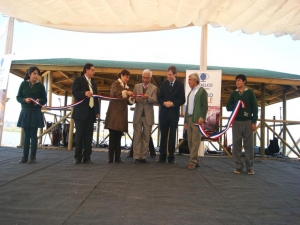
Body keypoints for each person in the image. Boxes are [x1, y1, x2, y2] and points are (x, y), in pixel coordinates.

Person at [226, 74, 258, 175]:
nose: (237, 82)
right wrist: (237, 105)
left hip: (247, 121)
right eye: (236, 81)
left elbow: (255, 108)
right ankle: (238, 166)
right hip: (236, 122)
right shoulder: (233, 94)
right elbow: (228, 107)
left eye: (239, 80)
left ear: (244, 81)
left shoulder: (250, 93)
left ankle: (250, 167)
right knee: (236, 144)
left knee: (249, 144)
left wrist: (254, 121)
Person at [16, 66, 47, 164]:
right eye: (34, 73)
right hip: (25, 111)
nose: (36, 75)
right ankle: (24, 157)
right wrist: (24, 100)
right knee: (26, 135)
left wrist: (39, 101)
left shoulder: (41, 86)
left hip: (35, 112)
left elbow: (44, 100)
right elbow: (18, 97)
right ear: (29, 74)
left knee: (33, 135)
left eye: (37, 74)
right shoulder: (23, 84)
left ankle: (32, 157)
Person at [72, 63, 100, 165]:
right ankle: (77, 157)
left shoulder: (94, 84)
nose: (94, 72)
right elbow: (74, 92)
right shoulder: (78, 80)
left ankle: (87, 157)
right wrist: (84, 93)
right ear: (86, 70)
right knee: (79, 135)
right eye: (92, 70)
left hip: (91, 113)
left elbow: (96, 98)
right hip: (80, 113)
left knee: (89, 136)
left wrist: (97, 111)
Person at [105, 69, 134, 163]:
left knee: (118, 137)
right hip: (114, 115)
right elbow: (114, 94)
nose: (127, 79)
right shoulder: (115, 84)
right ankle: (110, 158)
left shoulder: (126, 87)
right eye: (126, 77)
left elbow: (127, 101)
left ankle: (117, 157)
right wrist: (126, 92)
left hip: (121, 115)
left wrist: (132, 99)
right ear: (121, 75)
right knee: (113, 137)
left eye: (128, 77)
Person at [157, 66, 185, 164]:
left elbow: (182, 99)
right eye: (167, 74)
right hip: (164, 113)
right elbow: (159, 97)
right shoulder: (163, 84)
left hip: (173, 114)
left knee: (172, 136)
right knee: (163, 135)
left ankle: (171, 157)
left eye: (170, 75)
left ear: (175, 74)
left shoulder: (180, 85)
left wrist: (173, 103)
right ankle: (162, 156)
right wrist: (164, 103)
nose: (168, 76)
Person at [132, 69, 157, 164]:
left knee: (146, 137)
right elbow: (133, 98)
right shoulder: (136, 86)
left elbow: (154, 99)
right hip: (138, 115)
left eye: (147, 78)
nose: (145, 79)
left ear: (150, 79)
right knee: (137, 136)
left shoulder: (154, 88)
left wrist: (148, 98)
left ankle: (143, 157)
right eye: (143, 77)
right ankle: (136, 156)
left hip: (148, 116)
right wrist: (135, 99)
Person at [184, 73, 208, 170]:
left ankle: (192, 161)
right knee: (189, 141)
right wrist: (185, 121)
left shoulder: (202, 91)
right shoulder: (190, 93)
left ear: (195, 80)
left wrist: (202, 116)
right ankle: (196, 160)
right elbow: (187, 108)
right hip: (189, 118)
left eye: (190, 79)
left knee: (195, 141)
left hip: (197, 119)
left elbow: (204, 106)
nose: (188, 81)